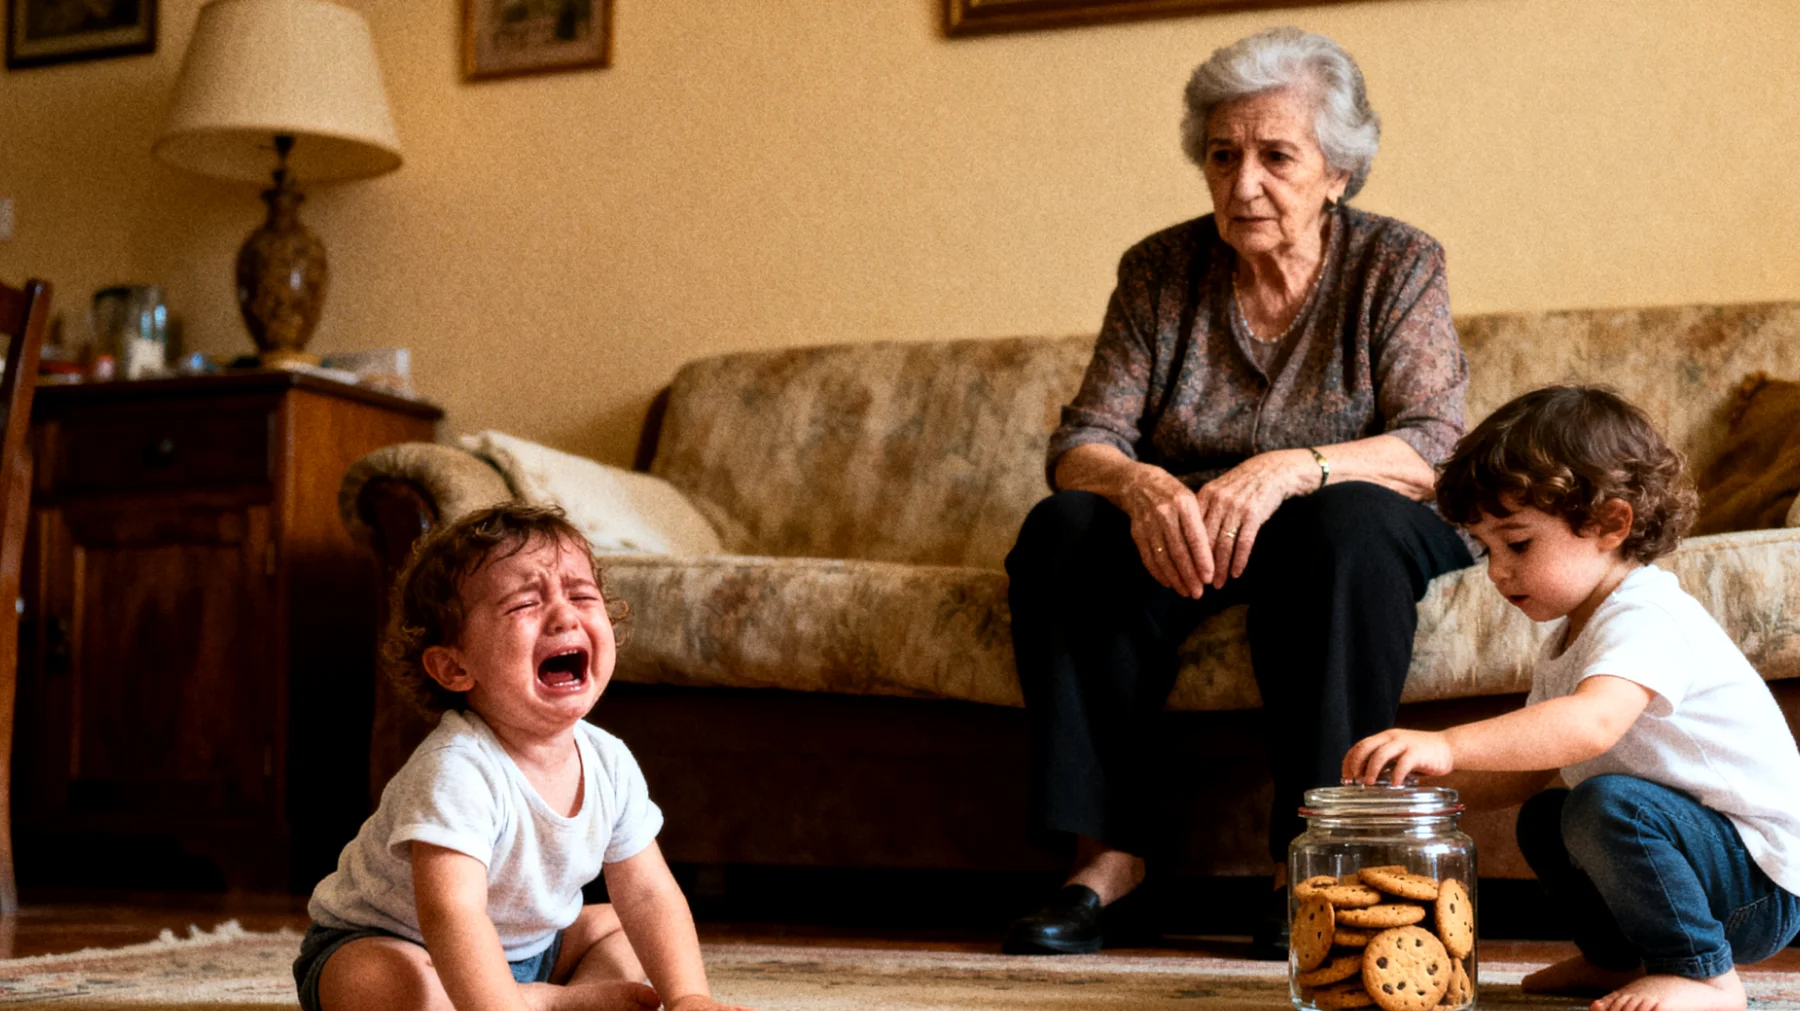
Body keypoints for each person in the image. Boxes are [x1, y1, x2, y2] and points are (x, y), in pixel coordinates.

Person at [1003, 26, 1474, 958]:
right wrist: (1139, 484)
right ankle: (1109, 861)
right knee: (1065, 528)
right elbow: (1082, 439)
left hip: (1355, 516)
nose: (1243, 181)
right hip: (1198, 528)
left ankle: (1318, 860)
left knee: (1340, 531)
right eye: (1223, 156)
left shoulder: (1398, 263)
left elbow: (1434, 445)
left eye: (1275, 156)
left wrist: (1296, 465)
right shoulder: (1159, 270)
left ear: (1338, 171)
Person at [1344, 386, 1800, 1011]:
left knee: (1603, 807)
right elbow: (1529, 770)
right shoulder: (1571, 636)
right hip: (1700, 862)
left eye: (1519, 543)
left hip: (1760, 885)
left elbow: (1588, 727)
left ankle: (1703, 975)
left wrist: (1447, 742)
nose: (1497, 571)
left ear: (1611, 524)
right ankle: (1616, 957)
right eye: (1486, 547)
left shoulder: (1648, 615)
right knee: (1549, 817)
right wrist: (1418, 800)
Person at [292, 504, 755, 1011]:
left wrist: (689, 996)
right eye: (523, 606)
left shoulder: (610, 762)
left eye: (581, 595)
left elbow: (649, 893)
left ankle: (558, 998)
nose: (564, 615)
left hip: (535, 948)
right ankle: (535, 1004)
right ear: (453, 666)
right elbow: (453, 915)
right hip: (397, 942)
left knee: (629, 925)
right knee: (390, 986)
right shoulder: (457, 768)